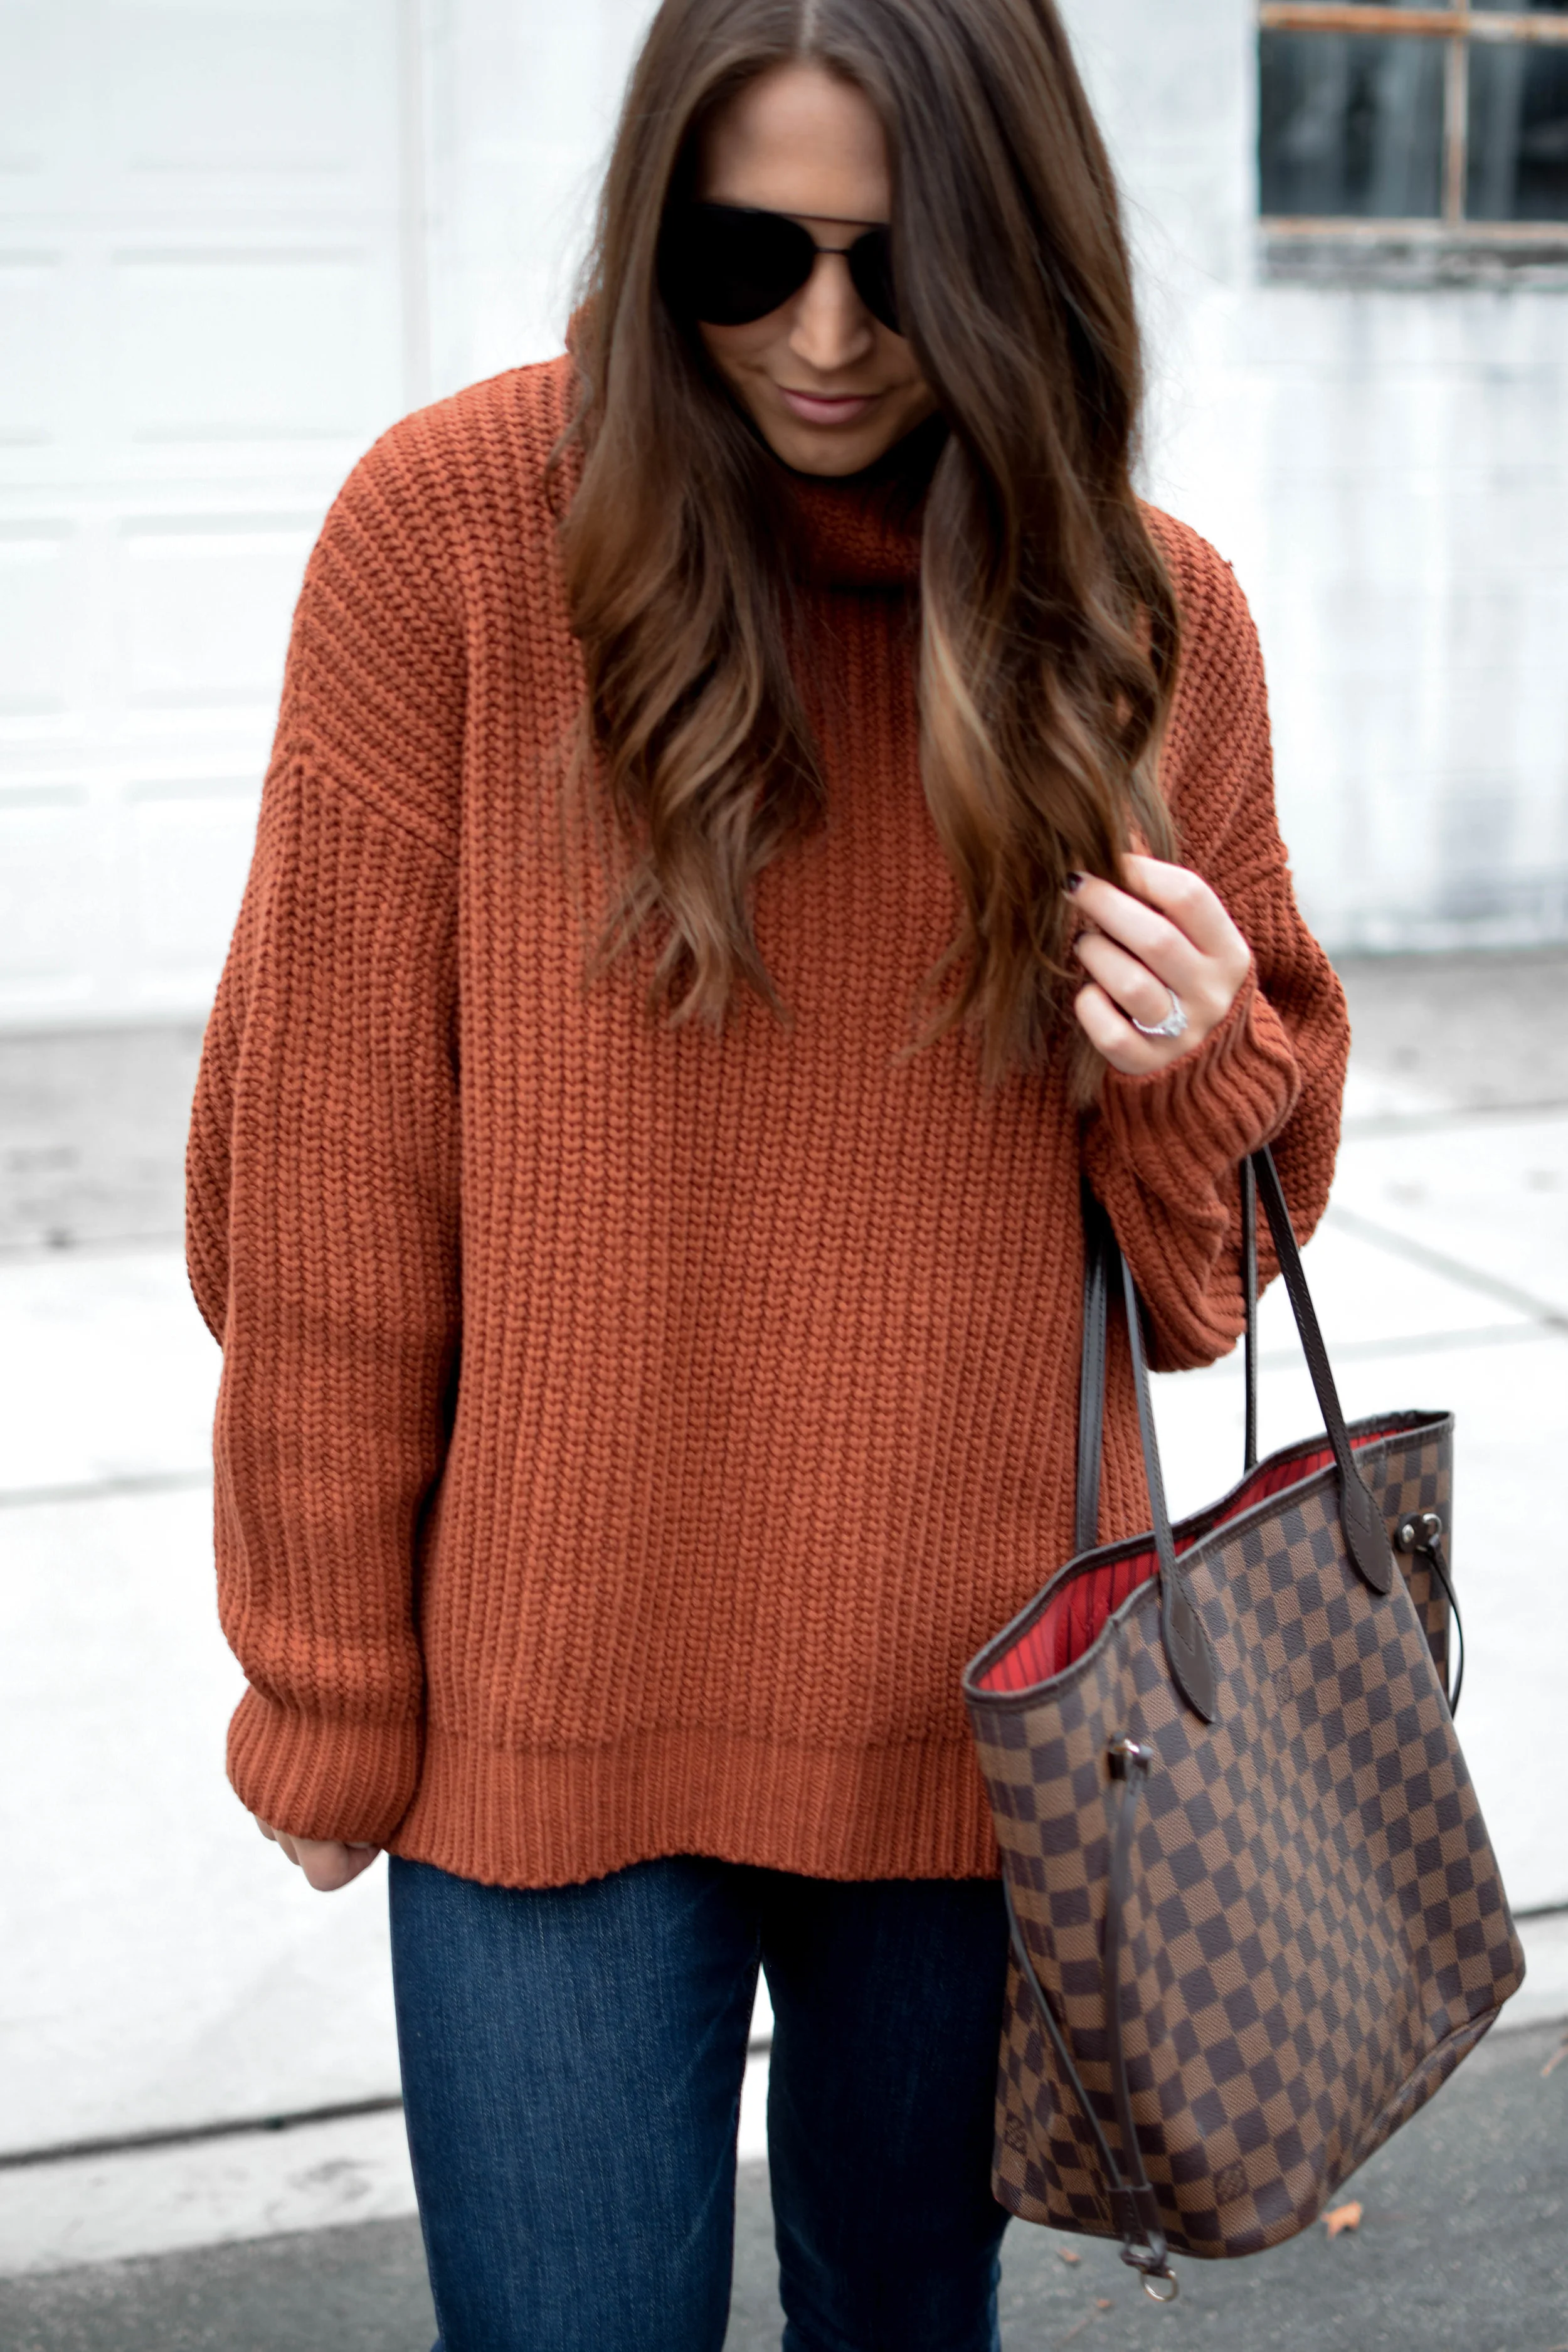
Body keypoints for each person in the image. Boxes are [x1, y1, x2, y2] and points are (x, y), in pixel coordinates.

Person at [185, 0, 1348, 2345]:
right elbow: (323, 1171)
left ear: (1017, 267)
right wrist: (320, 1669)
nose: (820, 337)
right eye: (744, 253)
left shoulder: (1142, 617)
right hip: (545, 1694)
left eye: (895, 266)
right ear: (650, 231)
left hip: (997, 1716)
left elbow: (1210, 1284)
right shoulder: (452, 546)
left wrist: (1197, 1055)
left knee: (906, 2315)